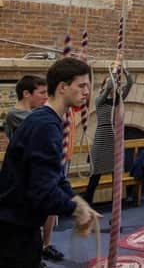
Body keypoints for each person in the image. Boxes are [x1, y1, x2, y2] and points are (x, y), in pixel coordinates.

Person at [0, 58, 100, 268]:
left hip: (21, 225)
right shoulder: (45, 126)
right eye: (81, 86)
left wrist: (77, 200)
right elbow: (42, 192)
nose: (86, 93)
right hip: (15, 230)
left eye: (88, 87)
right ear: (63, 87)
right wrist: (76, 210)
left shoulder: (46, 121)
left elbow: (54, 177)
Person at [84, 55, 134, 204]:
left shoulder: (119, 100)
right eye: (107, 85)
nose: (112, 86)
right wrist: (114, 68)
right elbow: (110, 86)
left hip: (115, 139)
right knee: (95, 177)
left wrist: (123, 68)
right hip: (102, 139)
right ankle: (87, 206)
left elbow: (130, 82)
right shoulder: (99, 100)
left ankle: (115, 210)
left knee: (116, 180)